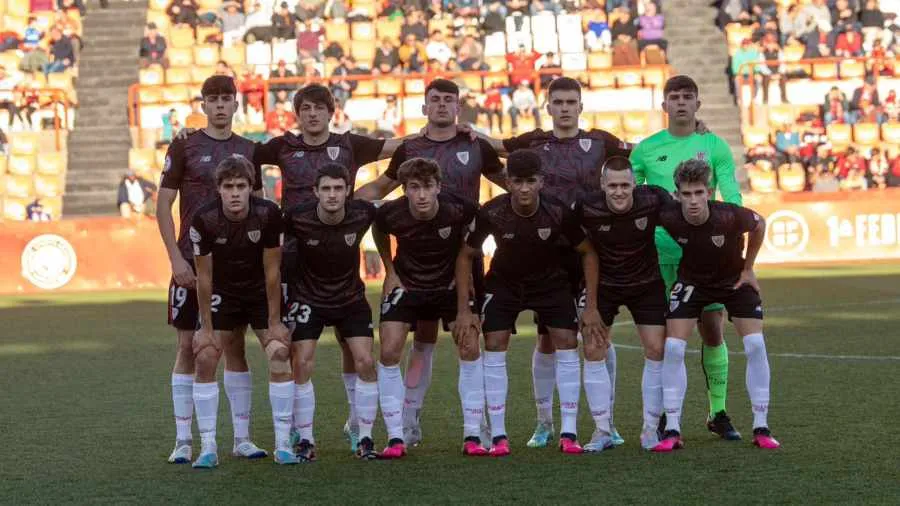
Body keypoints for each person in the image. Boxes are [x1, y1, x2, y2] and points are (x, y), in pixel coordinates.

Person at [479, 76, 632, 449]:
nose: (564, 108)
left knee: (598, 332)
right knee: (547, 339)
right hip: (545, 254)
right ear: (547, 106)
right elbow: (493, 148)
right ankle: (544, 422)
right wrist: (466, 133)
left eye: (570, 102)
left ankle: (606, 422)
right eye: (558, 102)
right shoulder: (533, 142)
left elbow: (640, 154)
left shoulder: (601, 142)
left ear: (580, 106)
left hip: (589, 250)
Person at [355, 78, 504, 448]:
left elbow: (510, 181)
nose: (441, 105)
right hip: (417, 261)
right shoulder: (410, 148)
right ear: (424, 107)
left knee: (470, 338)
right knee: (422, 341)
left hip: (463, 258)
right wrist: (343, 202)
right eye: (434, 99)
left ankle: (480, 423)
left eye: (448, 99)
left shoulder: (476, 144)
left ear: (458, 107)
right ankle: (409, 419)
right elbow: (382, 188)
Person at [453, 149, 605, 457]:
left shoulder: (558, 211)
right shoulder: (492, 212)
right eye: (518, 181)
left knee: (566, 342)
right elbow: (466, 255)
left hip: (550, 283)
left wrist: (590, 306)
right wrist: (464, 309)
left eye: (530, 181)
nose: (524, 188)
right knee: (494, 343)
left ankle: (569, 433)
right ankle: (499, 436)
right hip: (504, 283)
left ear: (541, 182)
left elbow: (588, 252)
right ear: (507, 182)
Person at [630, 74, 744, 441]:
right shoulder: (646, 149)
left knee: (712, 329)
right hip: (661, 254)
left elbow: (732, 197)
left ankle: (718, 411)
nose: (680, 102)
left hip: (707, 257)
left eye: (687, 96)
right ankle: (668, 414)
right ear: (664, 105)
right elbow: (628, 195)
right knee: (668, 338)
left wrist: (730, 239)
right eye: (674, 97)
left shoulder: (714, 146)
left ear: (698, 103)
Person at [156, 76, 263, 465]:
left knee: (234, 345)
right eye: (212, 99)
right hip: (190, 260)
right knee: (189, 347)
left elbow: (259, 208)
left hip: (235, 265)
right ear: (203, 105)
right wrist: (175, 258)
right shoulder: (185, 145)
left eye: (225, 99)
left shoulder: (250, 149)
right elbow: (162, 206)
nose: (219, 105)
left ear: (236, 104)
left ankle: (242, 439)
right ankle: (184, 440)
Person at [653, 159, 779, 452]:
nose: (693, 200)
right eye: (686, 194)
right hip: (692, 283)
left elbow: (760, 224)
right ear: (677, 195)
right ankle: (672, 428)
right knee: (674, 348)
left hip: (732, 281)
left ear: (709, 192)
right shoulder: (669, 216)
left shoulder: (729, 215)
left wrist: (748, 269)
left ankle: (761, 427)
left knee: (755, 345)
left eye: (699, 193)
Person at [188, 155, 294, 468]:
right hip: (223, 293)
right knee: (206, 356)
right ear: (218, 189)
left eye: (241, 186)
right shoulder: (204, 219)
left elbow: (273, 271)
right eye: (228, 187)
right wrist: (206, 328)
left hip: (259, 292)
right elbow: (203, 277)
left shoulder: (268, 214)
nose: (235, 193)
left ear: (251, 187)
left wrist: (274, 322)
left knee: (279, 353)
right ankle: (209, 446)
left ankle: (283, 444)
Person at [373, 157, 481, 456]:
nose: (421, 195)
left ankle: (474, 430)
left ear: (439, 187)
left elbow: (472, 245)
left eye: (427, 187)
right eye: (414, 187)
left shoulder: (460, 208)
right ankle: (398, 433)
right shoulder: (390, 213)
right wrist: (389, 270)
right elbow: (379, 231)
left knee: (470, 346)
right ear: (404, 190)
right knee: (389, 351)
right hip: (408, 285)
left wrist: (469, 281)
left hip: (449, 285)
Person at [572, 156, 674, 451]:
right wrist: (586, 302)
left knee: (657, 349)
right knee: (592, 348)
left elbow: (683, 224)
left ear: (635, 184)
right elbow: (574, 247)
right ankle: (602, 430)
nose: (619, 192)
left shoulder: (654, 199)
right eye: (613, 185)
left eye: (625, 185)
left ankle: (650, 430)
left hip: (646, 284)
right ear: (602, 185)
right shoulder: (585, 207)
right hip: (603, 286)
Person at [282, 164, 380, 461]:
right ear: (315, 192)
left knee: (365, 361)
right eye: (326, 188)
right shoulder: (296, 217)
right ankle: (305, 439)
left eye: (338, 188)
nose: (332, 194)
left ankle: (363, 435)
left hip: (350, 298)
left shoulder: (363, 213)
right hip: (308, 299)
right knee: (302, 363)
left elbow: (391, 214)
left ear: (348, 191)